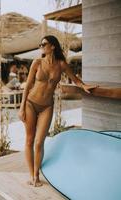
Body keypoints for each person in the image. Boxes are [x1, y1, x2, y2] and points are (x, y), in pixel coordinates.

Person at [18, 35, 98, 187]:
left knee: (39, 141)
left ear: (52, 46)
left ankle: (36, 174)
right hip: (30, 103)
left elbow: (75, 80)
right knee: (29, 140)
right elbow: (27, 86)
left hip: (47, 106)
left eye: (44, 44)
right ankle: (32, 175)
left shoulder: (61, 65)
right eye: (40, 44)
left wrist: (84, 86)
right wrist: (21, 107)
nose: (41, 46)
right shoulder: (37, 62)